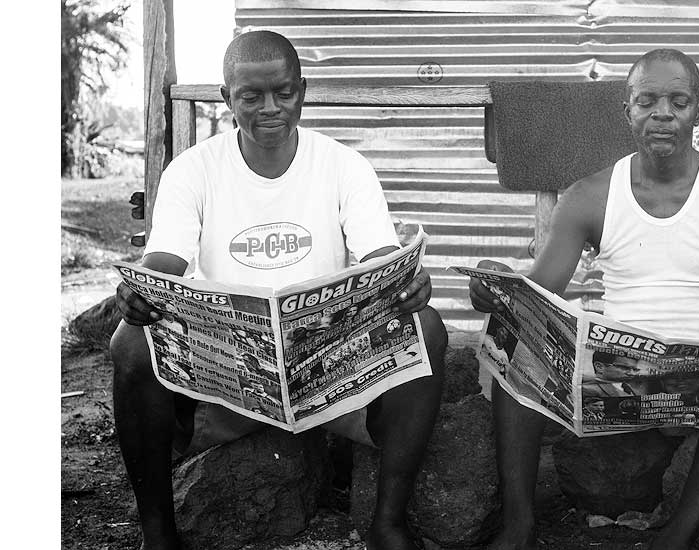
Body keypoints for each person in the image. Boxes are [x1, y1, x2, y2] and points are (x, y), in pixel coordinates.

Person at [110, 31, 447, 550]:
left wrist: (406, 285)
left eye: (284, 93)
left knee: (425, 327)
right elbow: (163, 263)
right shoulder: (193, 170)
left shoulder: (344, 166)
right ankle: (158, 531)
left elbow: (381, 258)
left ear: (302, 91)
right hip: (227, 378)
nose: (270, 108)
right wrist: (142, 292)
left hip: (330, 375)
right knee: (129, 343)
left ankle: (387, 523)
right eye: (251, 96)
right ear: (227, 100)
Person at [469, 48, 699, 550]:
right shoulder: (589, 195)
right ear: (627, 111)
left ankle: (676, 538)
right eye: (647, 101)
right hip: (616, 377)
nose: (663, 113)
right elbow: (541, 287)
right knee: (513, 335)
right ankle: (519, 527)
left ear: (698, 112)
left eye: (678, 102)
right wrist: (497, 287)